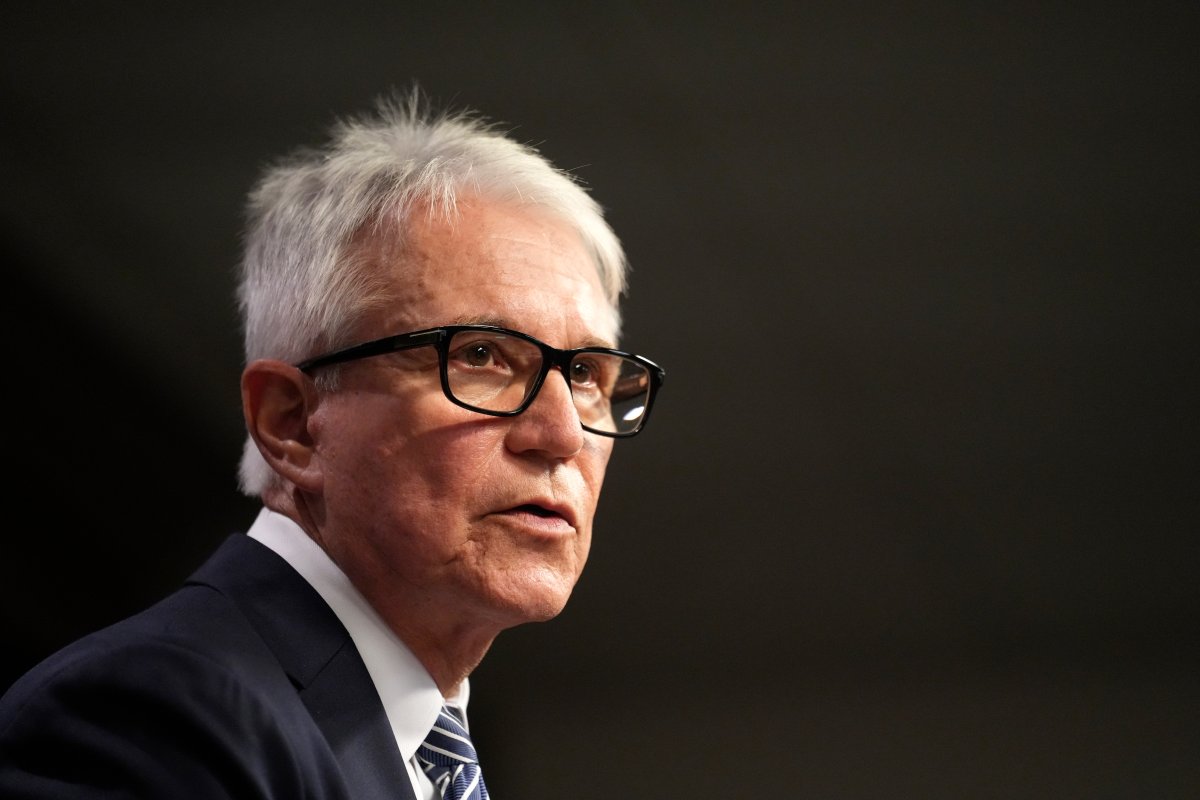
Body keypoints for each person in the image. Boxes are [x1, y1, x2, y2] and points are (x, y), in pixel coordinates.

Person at [0, 89, 664, 799]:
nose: (562, 433)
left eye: (588, 374)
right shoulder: (152, 715)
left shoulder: (427, 756)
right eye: (481, 356)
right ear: (291, 421)